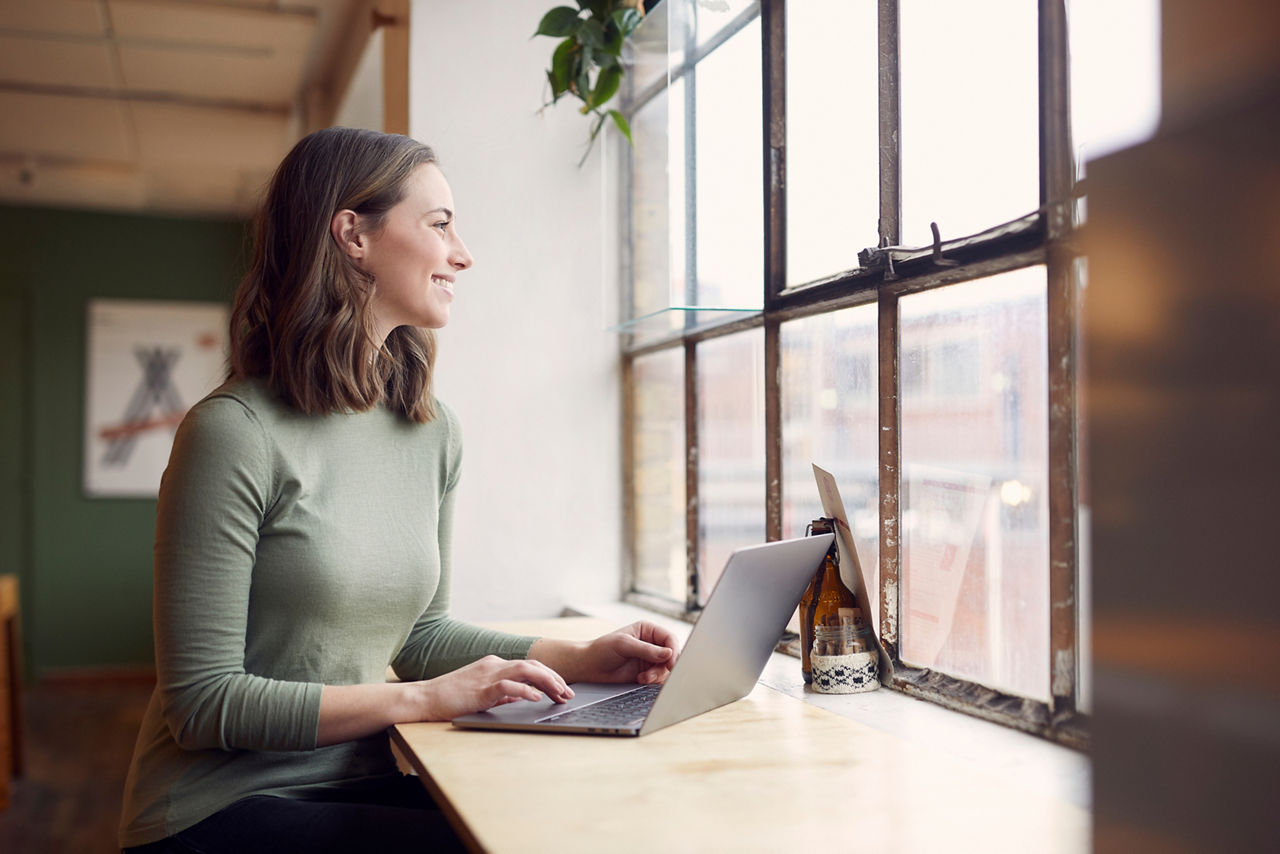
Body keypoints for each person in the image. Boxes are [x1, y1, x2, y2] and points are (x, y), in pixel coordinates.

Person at [118, 126, 679, 853]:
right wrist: (426, 700)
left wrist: (582, 657)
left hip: (356, 781)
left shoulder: (430, 429)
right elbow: (203, 704)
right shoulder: (232, 433)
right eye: (440, 225)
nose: (463, 254)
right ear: (353, 235)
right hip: (220, 807)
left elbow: (420, 638)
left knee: (580, 822)